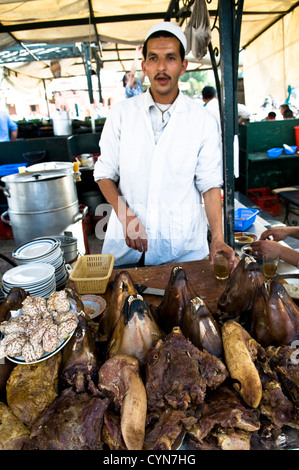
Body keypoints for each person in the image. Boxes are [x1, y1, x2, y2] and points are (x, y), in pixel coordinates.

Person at [94, 21, 236, 269]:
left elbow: (210, 184)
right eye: (153, 58)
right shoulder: (121, 114)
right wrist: (127, 217)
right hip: (127, 250)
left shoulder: (202, 120)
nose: (161, 67)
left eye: (170, 58)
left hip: (182, 251)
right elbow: (104, 174)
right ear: (144, 66)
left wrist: (218, 238)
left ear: (183, 66)